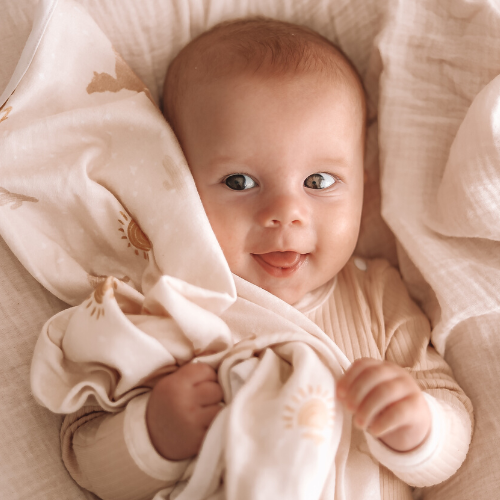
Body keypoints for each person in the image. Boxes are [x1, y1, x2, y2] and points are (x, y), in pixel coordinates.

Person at [61, 18, 473, 500]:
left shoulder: (377, 297)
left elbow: (453, 428)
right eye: (240, 182)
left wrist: (419, 428)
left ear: (365, 183)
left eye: (319, 182)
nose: (285, 214)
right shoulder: (163, 302)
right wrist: (156, 434)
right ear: (177, 185)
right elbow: (85, 459)